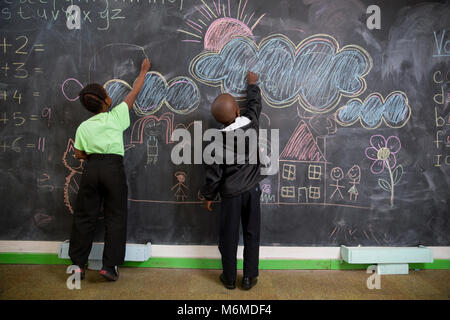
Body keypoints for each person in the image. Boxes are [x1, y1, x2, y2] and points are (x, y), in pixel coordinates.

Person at [69, 58, 151, 281]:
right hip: (113, 169)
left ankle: (77, 264)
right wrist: (143, 71)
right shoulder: (116, 117)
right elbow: (133, 94)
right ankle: (109, 266)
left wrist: (91, 157)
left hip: (92, 168)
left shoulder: (83, 127)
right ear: (107, 100)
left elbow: (78, 154)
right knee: (115, 216)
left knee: (85, 216)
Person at [200, 71, 263, 290]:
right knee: (251, 233)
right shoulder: (252, 124)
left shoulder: (216, 141)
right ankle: (249, 277)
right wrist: (252, 85)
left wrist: (209, 196)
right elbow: (255, 105)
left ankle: (228, 278)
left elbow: (214, 174)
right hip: (252, 191)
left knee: (228, 236)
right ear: (238, 110)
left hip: (230, 195)